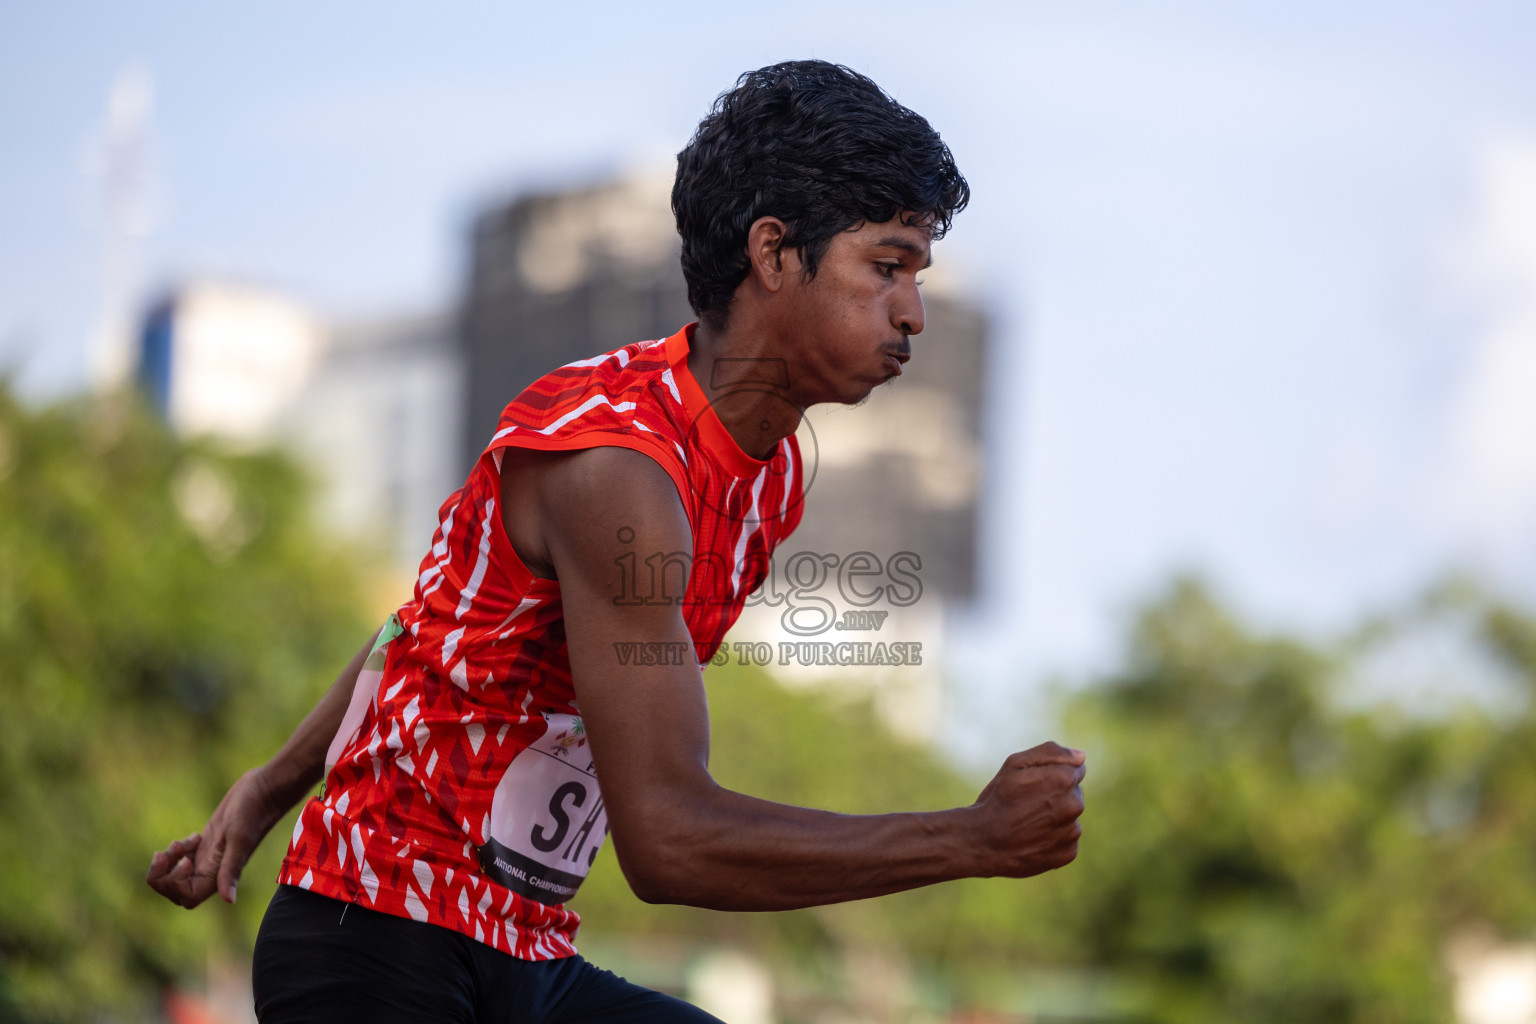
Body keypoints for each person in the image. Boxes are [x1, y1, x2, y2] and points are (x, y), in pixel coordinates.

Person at [147, 59, 1087, 1023]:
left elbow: (424, 627)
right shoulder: (619, 468)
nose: (913, 314)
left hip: (525, 951)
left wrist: (266, 788)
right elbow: (669, 840)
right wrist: (972, 839)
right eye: (886, 268)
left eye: (918, 277)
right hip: (377, 943)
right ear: (774, 253)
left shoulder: (773, 475)